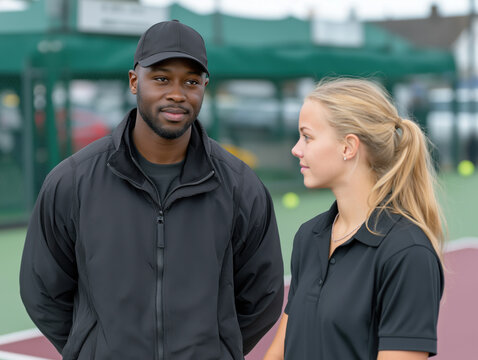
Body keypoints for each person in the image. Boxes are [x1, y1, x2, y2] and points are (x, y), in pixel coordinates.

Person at [20, 20, 284, 360]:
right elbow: (43, 290)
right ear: (134, 81)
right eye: (161, 78)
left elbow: (263, 296)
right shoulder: (72, 181)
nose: (177, 93)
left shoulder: (241, 186)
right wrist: (93, 349)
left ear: (204, 86)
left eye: (191, 81)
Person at [264, 78, 444, 360]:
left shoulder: (408, 253)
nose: (296, 149)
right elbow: (280, 351)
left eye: (307, 137)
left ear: (348, 147)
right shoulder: (309, 237)